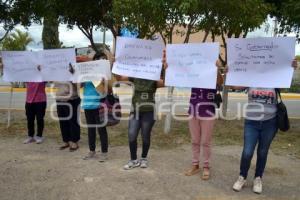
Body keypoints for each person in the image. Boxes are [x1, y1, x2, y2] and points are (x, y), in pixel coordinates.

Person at [232, 59, 298, 194]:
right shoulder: (251, 78)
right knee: (247, 152)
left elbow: (286, 84)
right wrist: (229, 72)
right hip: (251, 122)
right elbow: (234, 86)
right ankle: (242, 177)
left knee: (262, 152)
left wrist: (291, 69)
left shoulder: (275, 79)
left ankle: (258, 178)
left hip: (270, 122)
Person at [116, 50, 167, 170]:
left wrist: (165, 67)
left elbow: (166, 82)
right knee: (131, 135)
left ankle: (144, 158)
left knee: (145, 136)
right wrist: (115, 63)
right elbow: (119, 78)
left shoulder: (154, 80)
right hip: (135, 112)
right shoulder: (134, 76)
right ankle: (133, 160)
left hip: (149, 112)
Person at [184, 61, 223, 180]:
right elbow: (179, 75)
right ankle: (195, 164)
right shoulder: (193, 74)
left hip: (207, 111)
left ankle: (206, 166)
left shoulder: (212, 73)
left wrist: (217, 69)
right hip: (193, 110)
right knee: (195, 140)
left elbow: (220, 82)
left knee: (206, 141)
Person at [82, 52, 112, 162]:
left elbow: (109, 90)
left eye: (104, 60)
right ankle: (92, 151)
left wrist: (104, 82)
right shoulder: (87, 72)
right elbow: (79, 83)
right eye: (99, 59)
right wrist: (74, 73)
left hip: (99, 105)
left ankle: (104, 152)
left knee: (101, 129)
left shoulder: (106, 74)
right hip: (87, 104)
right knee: (91, 130)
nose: (101, 61)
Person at [55, 65, 81, 152]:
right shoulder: (56, 69)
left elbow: (79, 85)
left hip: (72, 99)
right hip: (59, 98)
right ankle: (66, 140)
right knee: (63, 121)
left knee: (73, 121)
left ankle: (74, 141)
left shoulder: (75, 68)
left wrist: (73, 74)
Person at [23, 77, 47, 144]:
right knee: (30, 119)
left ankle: (39, 136)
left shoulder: (42, 76)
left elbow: (49, 75)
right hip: (29, 101)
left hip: (40, 101)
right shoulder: (27, 76)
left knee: (40, 119)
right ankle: (30, 136)